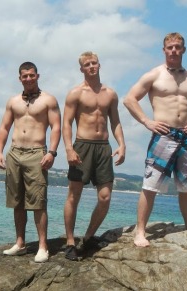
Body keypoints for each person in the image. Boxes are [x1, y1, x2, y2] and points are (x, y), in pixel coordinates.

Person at [123, 32, 187, 247]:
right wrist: (147, 122)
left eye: (177, 47)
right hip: (163, 135)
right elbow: (129, 99)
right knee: (150, 185)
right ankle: (140, 231)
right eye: (170, 47)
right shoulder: (154, 75)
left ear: (183, 50)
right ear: (164, 50)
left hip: (186, 137)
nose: (173, 50)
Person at [62, 51, 126, 260]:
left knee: (105, 197)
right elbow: (66, 123)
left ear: (100, 65)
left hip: (103, 148)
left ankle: (88, 237)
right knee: (74, 195)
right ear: (81, 68)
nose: (91, 66)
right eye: (87, 64)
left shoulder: (110, 94)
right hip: (82, 146)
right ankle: (70, 241)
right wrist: (69, 149)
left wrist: (122, 144)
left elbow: (115, 121)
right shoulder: (75, 93)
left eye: (94, 63)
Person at [0, 62, 61, 262]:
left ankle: (43, 246)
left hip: (36, 154)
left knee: (38, 202)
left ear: (37, 76)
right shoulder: (13, 101)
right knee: (17, 202)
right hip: (14, 153)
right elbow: (4, 127)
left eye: (31, 75)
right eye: (24, 76)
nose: (28, 79)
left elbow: (56, 127)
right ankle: (20, 243)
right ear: (20, 78)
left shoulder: (48, 100)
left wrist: (51, 152)